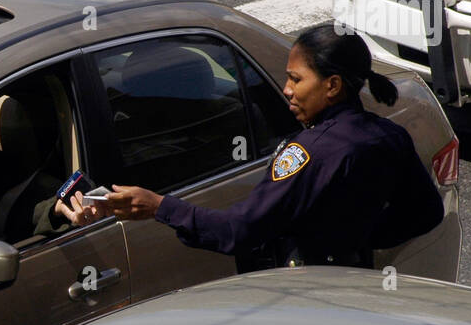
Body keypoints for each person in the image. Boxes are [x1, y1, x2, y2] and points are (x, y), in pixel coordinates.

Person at [56, 24, 445, 268]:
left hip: (299, 295)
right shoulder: (386, 135)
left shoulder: (309, 153)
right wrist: (358, 237)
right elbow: (426, 212)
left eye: (296, 79)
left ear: (332, 86)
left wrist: (159, 207)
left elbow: (240, 230)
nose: (287, 90)